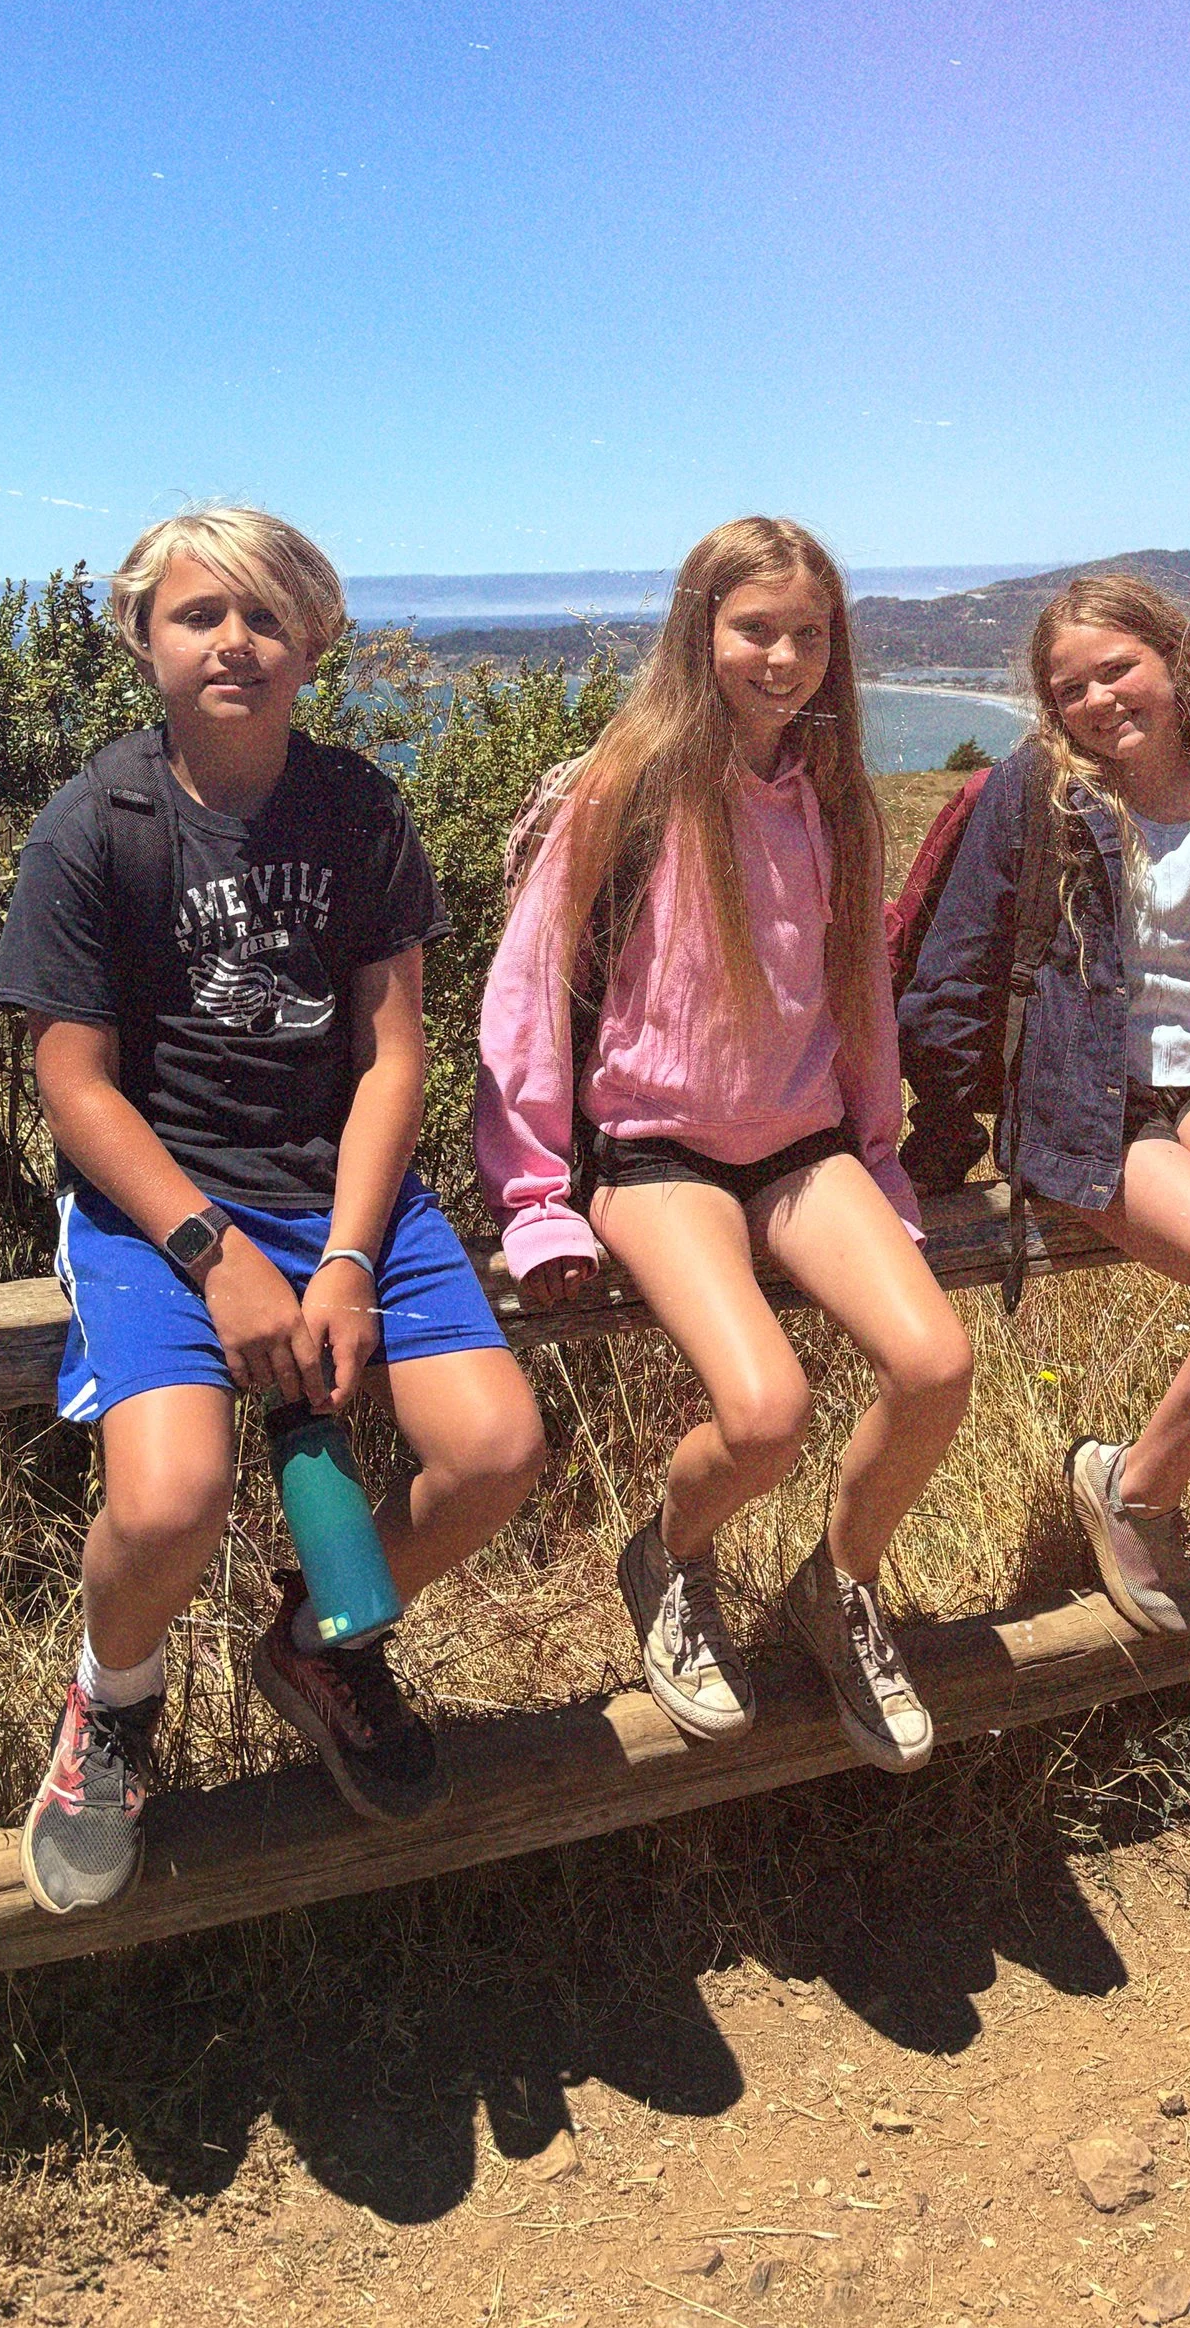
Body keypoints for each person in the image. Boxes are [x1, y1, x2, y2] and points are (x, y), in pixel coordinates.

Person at [0, 507, 546, 1916]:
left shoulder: (358, 809)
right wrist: (215, 1255)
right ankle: (112, 1705)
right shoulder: (93, 827)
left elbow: (395, 1055)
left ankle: (314, 1644)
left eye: (266, 616)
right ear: (141, 638)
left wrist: (349, 1254)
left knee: (492, 1451)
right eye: (197, 614)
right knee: (170, 1499)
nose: (233, 641)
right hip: (160, 1201)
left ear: (316, 642)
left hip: (340, 1186)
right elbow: (76, 1087)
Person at [476, 517, 971, 1775]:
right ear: (702, 629)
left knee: (934, 1368)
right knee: (762, 1417)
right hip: (657, 1153)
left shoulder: (834, 799)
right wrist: (534, 1196)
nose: (784, 655)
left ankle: (837, 1586)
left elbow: (855, 990)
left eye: (810, 633)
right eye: (757, 628)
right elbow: (529, 992)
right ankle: (672, 1560)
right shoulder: (625, 782)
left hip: (805, 1148)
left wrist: (880, 1150)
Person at [901, 574, 1190, 1725]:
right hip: (1079, 1098)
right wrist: (945, 1139)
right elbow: (951, 969)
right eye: (1072, 686)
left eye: (1119, 668)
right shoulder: (1037, 792)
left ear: (1171, 658)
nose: (1102, 697)